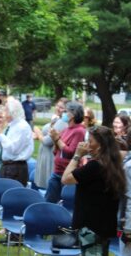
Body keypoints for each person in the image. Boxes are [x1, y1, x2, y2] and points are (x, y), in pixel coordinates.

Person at [62, 126, 126, 255]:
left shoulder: (95, 166)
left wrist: (77, 155)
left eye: (90, 141)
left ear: (100, 145)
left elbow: (66, 179)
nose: (87, 144)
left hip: (91, 226)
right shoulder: (114, 163)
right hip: (104, 224)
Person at [45, 101, 85, 203]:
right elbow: (56, 152)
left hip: (67, 174)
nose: (63, 112)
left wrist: (57, 139)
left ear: (73, 114)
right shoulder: (66, 129)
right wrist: (54, 139)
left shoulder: (79, 131)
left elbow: (71, 152)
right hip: (57, 172)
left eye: (65, 111)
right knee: (49, 201)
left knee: (65, 204)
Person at [0, 98, 33, 186]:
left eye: (6, 110)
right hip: (7, 166)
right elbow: (0, 147)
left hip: (15, 168)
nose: (3, 113)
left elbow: (13, 149)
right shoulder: (12, 125)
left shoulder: (21, 127)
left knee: (11, 196)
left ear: (12, 112)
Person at [33, 98, 68, 189]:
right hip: (45, 154)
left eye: (61, 107)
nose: (58, 108)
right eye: (57, 106)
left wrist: (38, 132)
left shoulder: (62, 122)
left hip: (50, 155)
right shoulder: (57, 119)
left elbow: (47, 141)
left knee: (47, 185)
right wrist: (39, 136)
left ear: (66, 110)